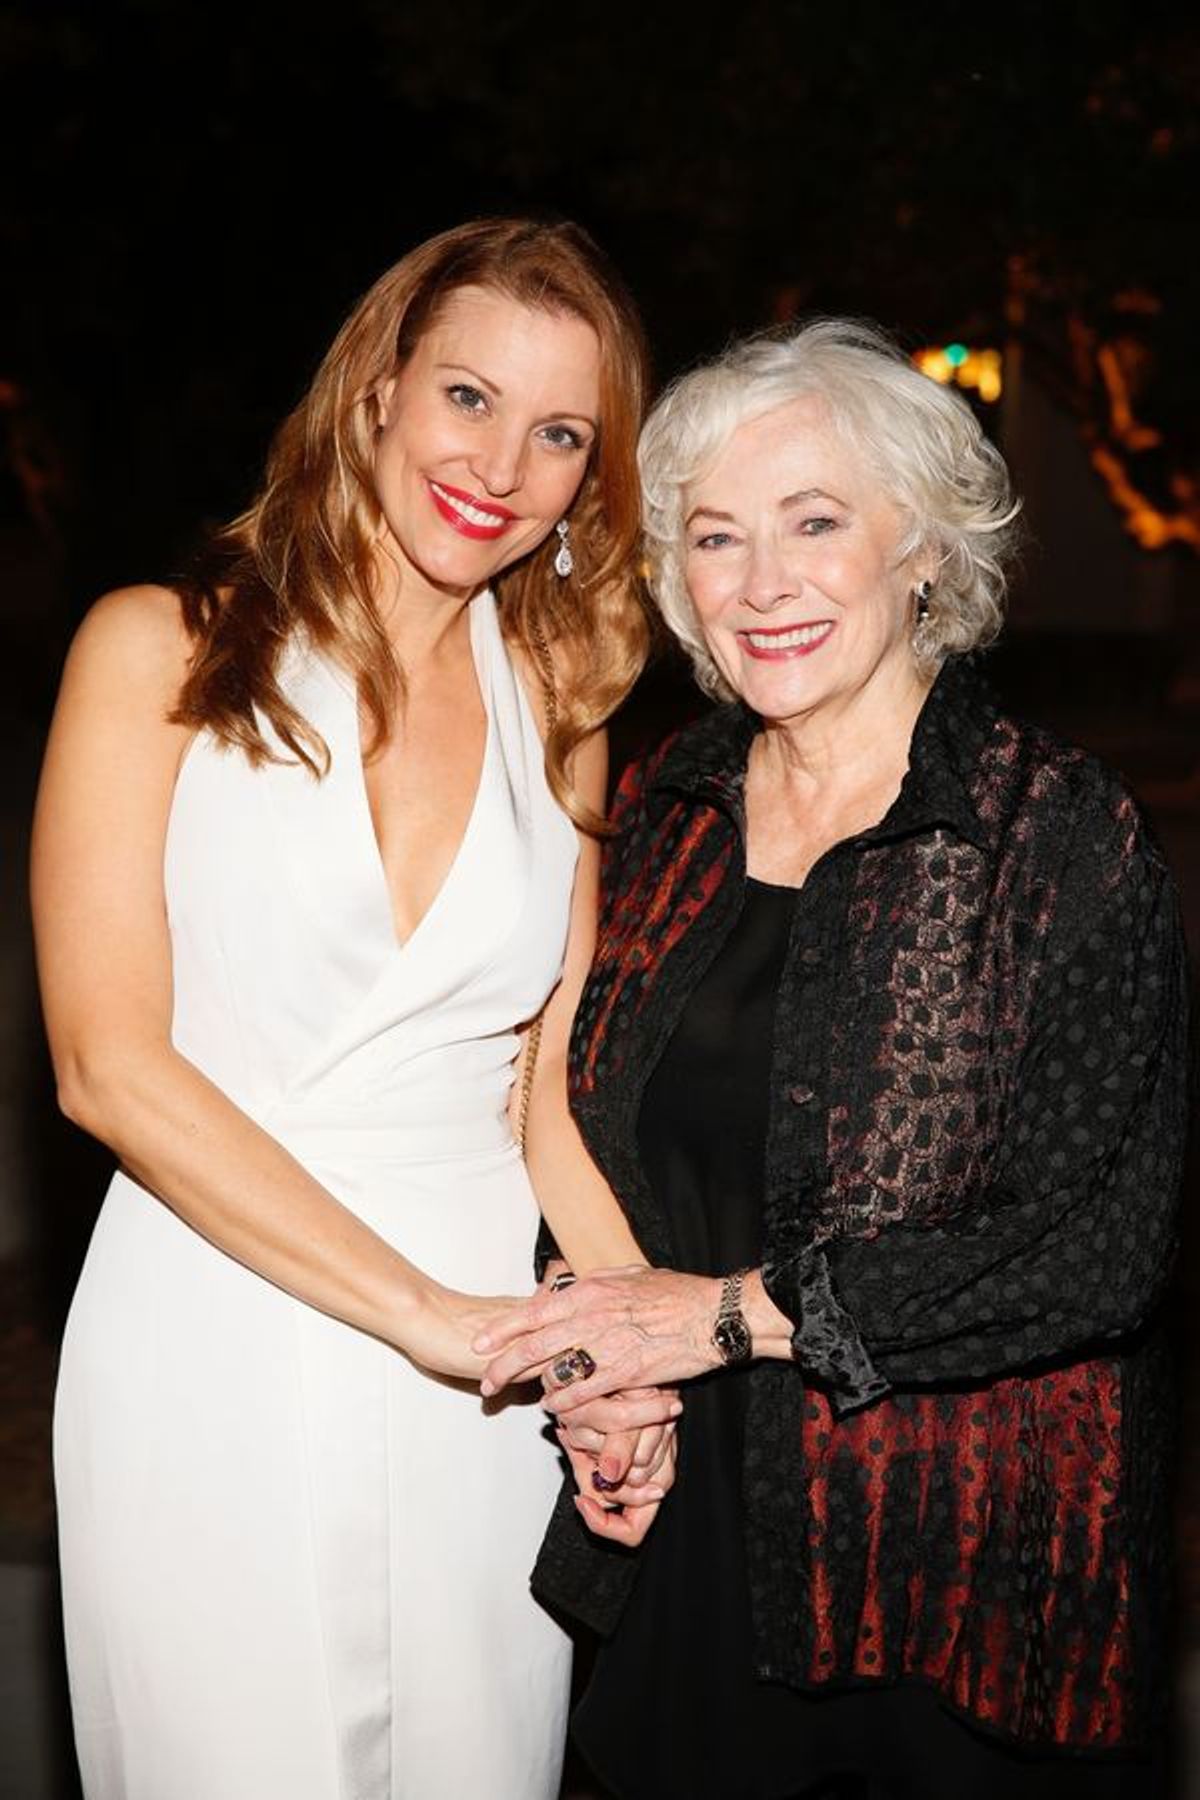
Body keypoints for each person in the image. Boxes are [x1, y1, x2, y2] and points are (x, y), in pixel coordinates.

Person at [476, 318, 1190, 1799]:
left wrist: (722, 1319)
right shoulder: (666, 820)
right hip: (681, 1552)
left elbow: (1093, 1251)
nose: (763, 582)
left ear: (922, 549)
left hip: (949, 1589)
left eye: (816, 522)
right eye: (716, 538)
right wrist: (606, 1368)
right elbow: (577, 1125)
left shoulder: (1054, 836)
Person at [32, 217, 677, 1800]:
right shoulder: (154, 651)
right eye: (467, 397)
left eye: (560, 435)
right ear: (376, 393)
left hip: (486, 1369)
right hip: (211, 1323)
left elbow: (539, 1100)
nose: (501, 465)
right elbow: (106, 1068)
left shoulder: (564, 714)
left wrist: (621, 1343)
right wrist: (431, 1322)